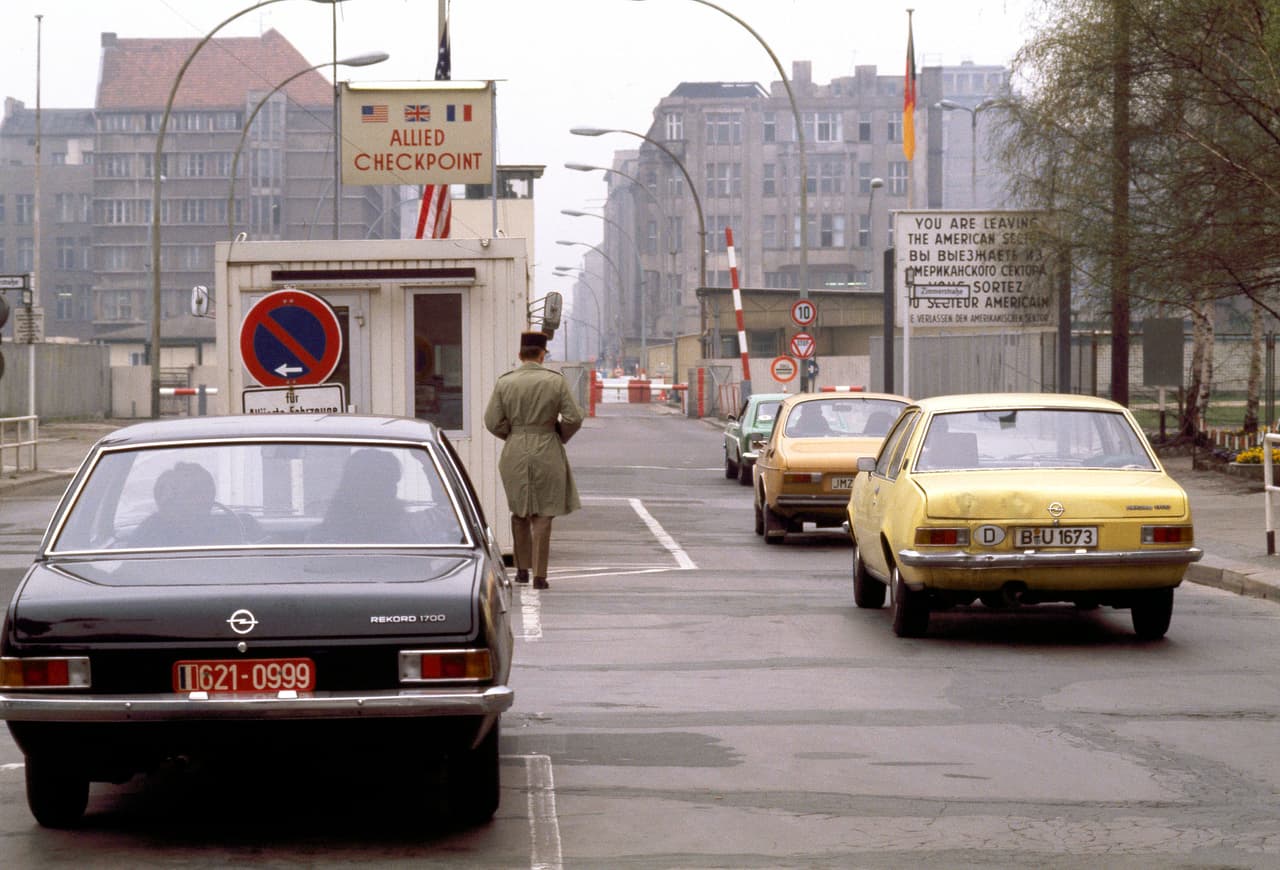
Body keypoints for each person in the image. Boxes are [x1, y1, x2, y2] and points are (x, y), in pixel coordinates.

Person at [483, 330, 584, 590]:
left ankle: (522, 571)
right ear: (543, 354)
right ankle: (540, 575)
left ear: (520, 355)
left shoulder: (505, 382)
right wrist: (559, 434)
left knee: (519, 511)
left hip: (515, 448)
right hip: (547, 446)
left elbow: (492, 421)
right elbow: (574, 418)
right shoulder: (556, 381)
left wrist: (514, 435)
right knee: (544, 514)